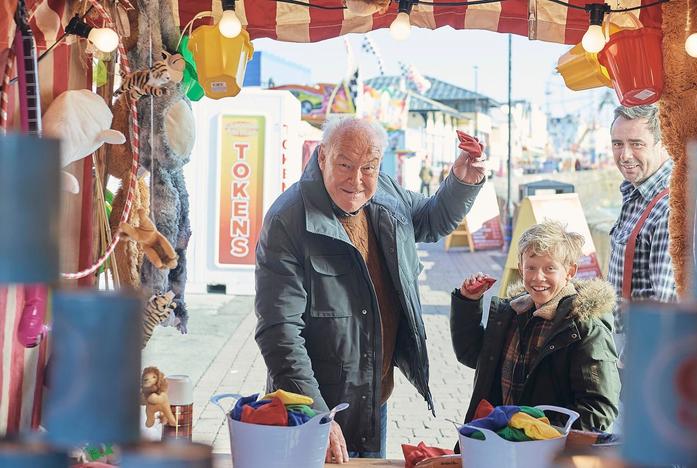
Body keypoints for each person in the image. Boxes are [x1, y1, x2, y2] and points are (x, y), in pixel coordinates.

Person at [255, 116, 485, 463]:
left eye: (369, 167)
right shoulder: (288, 219)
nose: (357, 180)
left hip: (373, 399)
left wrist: (462, 181)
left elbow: (430, 219)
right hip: (311, 406)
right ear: (322, 157)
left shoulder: (387, 194)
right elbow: (279, 331)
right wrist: (318, 415)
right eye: (345, 164)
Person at [451, 221, 620, 435]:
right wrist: (468, 302)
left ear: (570, 271)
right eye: (531, 267)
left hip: (547, 451)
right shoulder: (512, 313)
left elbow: (599, 408)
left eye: (550, 268)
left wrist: (538, 433)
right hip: (503, 440)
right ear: (520, 268)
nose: (538, 277)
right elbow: (472, 355)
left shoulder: (584, 325)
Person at [607, 105, 676, 337]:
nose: (625, 155)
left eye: (637, 143)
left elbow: (663, 308)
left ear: (663, 143)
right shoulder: (635, 193)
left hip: (638, 353)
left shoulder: (669, 208)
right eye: (618, 144)